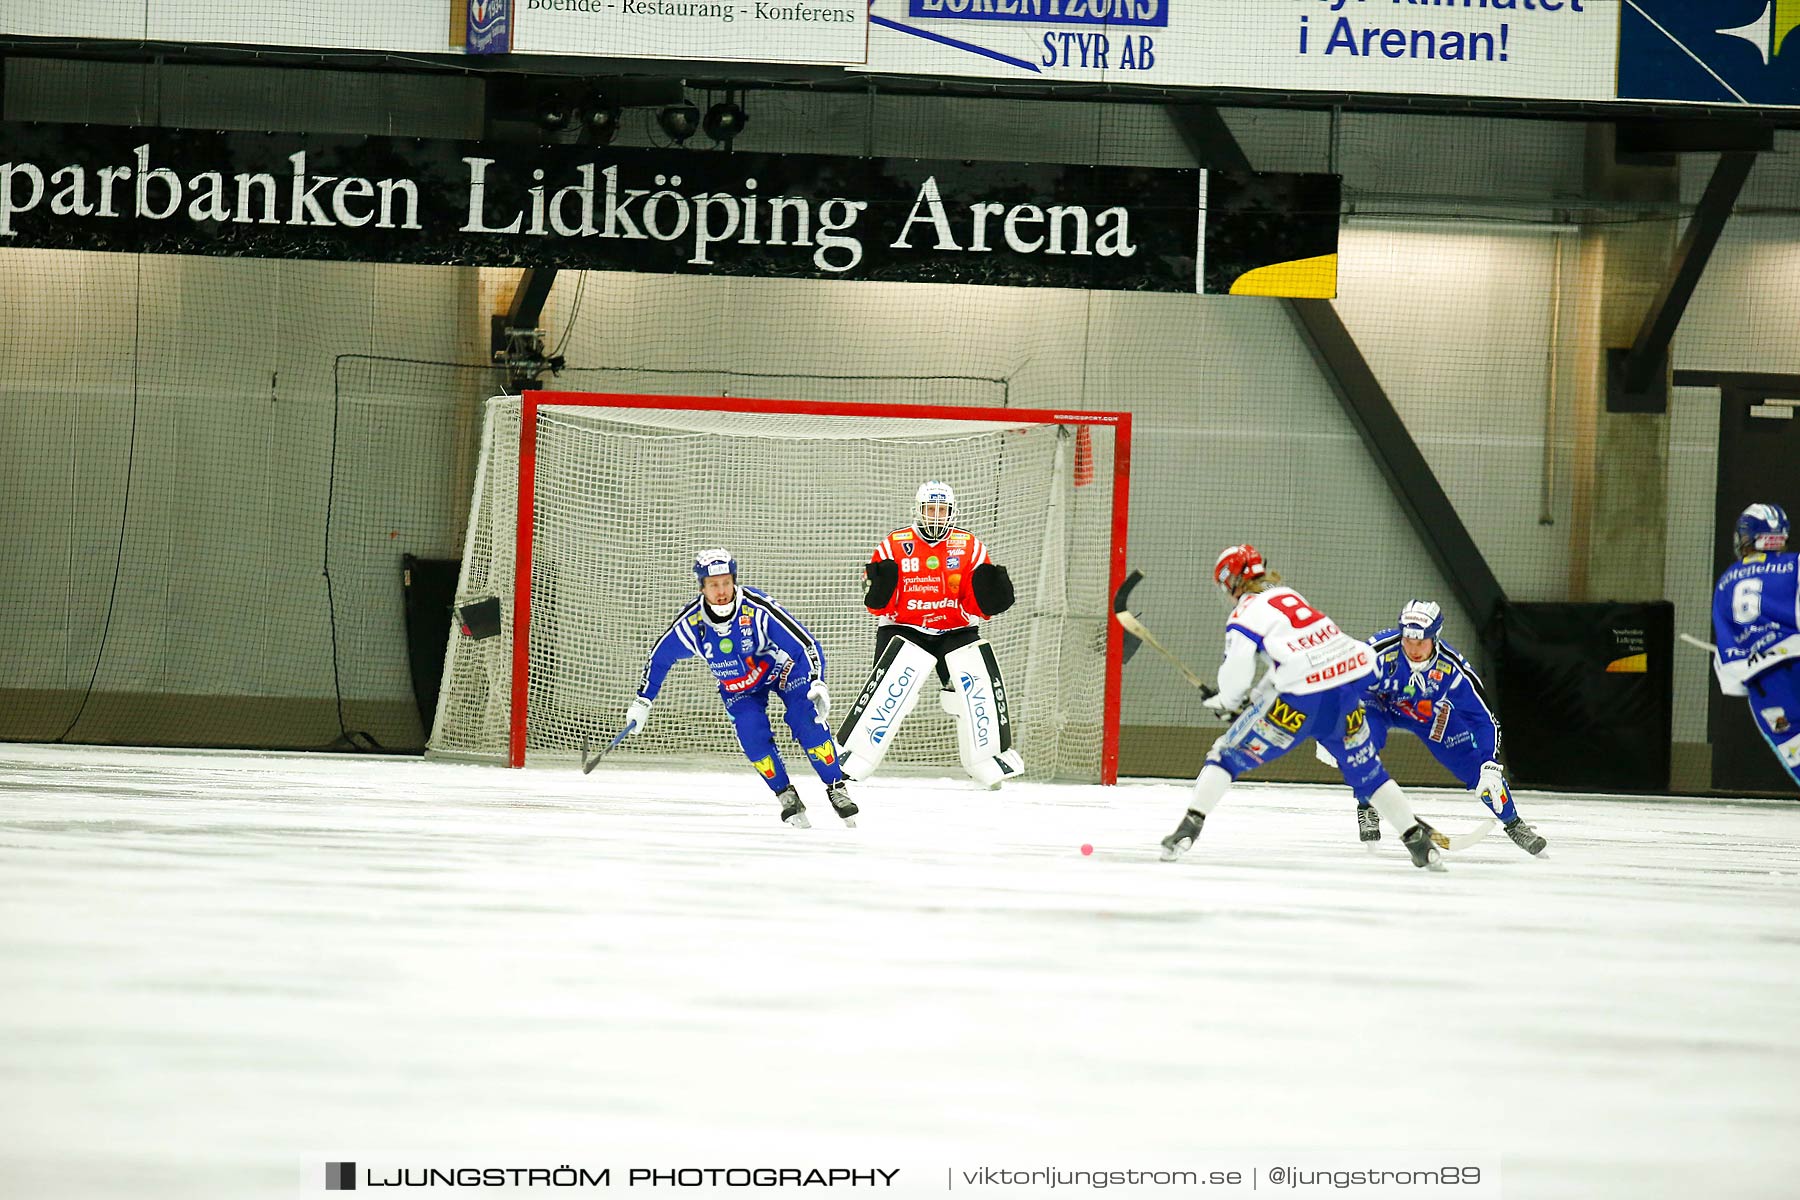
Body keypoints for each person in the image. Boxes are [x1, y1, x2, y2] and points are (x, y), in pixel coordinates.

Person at [1160, 544, 1446, 871]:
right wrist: (1255, 699)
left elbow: (1237, 674)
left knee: (1225, 755)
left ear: (1230, 583)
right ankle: (1419, 844)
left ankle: (1187, 830)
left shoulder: (1243, 614)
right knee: (1369, 774)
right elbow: (1292, 659)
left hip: (1300, 704)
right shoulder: (1289, 595)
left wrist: (1229, 701)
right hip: (1346, 694)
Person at [623, 549, 857, 828]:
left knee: (805, 718)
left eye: (725, 582)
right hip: (739, 686)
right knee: (751, 735)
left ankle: (836, 787)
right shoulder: (691, 624)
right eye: (713, 585)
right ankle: (785, 795)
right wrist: (643, 701)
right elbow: (659, 658)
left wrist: (818, 680)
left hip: (784, 670)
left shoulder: (757, 608)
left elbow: (804, 643)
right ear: (702, 587)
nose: (721, 591)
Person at [1316, 599, 1547, 855]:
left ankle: (1513, 822)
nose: (1413, 649)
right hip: (1377, 704)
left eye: (1421, 642)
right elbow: (1341, 687)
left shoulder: (1454, 670)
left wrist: (1489, 765)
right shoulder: (1377, 653)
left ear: (1435, 637)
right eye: (1408, 640)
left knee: (1475, 767)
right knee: (1363, 739)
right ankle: (1366, 804)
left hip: (1427, 713)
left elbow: (1484, 719)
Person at [835, 481, 1023, 787]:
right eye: (930, 509)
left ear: (951, 512)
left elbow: (975, 602)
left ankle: (987, 759)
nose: (935, 516)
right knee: (890, 692)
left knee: (974, 688)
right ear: (919, 510)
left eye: (941, 510)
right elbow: (877, 601)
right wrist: (878, 592)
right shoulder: (894, 544)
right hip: (904, 628)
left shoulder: (970, 547)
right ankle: (854, 755)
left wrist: (989, 596)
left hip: (955, 630)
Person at [1711, 503, 1800, 790]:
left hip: (1764, 681)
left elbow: (1726, 653)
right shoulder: (1795, 564)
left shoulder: (1726, 581)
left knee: (1795, 748)